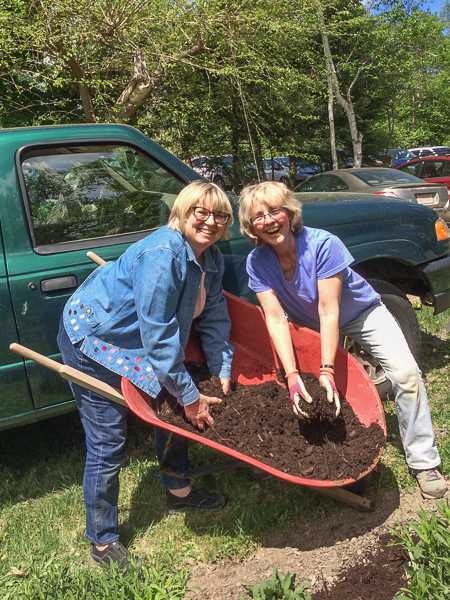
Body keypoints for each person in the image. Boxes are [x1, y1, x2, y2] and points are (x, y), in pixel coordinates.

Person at [58, 181, 235, 569]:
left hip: (140, 340)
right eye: (200, 212)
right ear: (182, 213)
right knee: (108, 438)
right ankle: (102, 539)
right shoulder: (162, 255)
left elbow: (216, 314)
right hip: (94, 336)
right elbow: (158, 334)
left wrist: (222, 367)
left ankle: (179, 490)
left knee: (172, 406)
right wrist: (189, 396)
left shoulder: (212, 259)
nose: (210, 221)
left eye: (219, 215)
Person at [238, 180, 447, 500]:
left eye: (275, 211)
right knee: (288, 382)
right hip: (307, 323)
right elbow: (276, 319)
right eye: (258, 217)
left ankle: (424, 461)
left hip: (361, 313)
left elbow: (328, 310)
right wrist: (293, 377)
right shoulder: (257, 262)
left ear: (290, 212)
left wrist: (327, 368)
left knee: (406, 375)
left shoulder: (323, 244)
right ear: (251, 226)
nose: (268, 221)